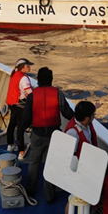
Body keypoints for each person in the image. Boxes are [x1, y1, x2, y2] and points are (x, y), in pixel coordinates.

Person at [22, 67, 74, 201]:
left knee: (34, 162)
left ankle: (30, 190)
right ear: (51, 79)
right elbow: (67, 113)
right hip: (54, 135)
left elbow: (26, 118)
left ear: (38, 79)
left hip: (37, 134)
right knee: (51, 164)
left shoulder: (32, 95)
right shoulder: (58, 93)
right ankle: (49, 196)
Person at [61, 100, 99, 214]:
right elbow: (68, 155)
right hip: (80, 170)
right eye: (93, 115)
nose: (94, 117)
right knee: (73, 198)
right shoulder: (73, 133)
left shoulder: (84, 124)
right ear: (87, 118)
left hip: (88, 167)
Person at [5, 58, 34, 158]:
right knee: (20, 128)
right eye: (28, 66)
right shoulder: (24, 78)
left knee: (12, 124)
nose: (30, 67)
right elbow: (30, 94)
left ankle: (10, 145)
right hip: (20, 105)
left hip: (12, 104)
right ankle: (21, 152)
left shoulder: (14, 75)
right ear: (22, 67)